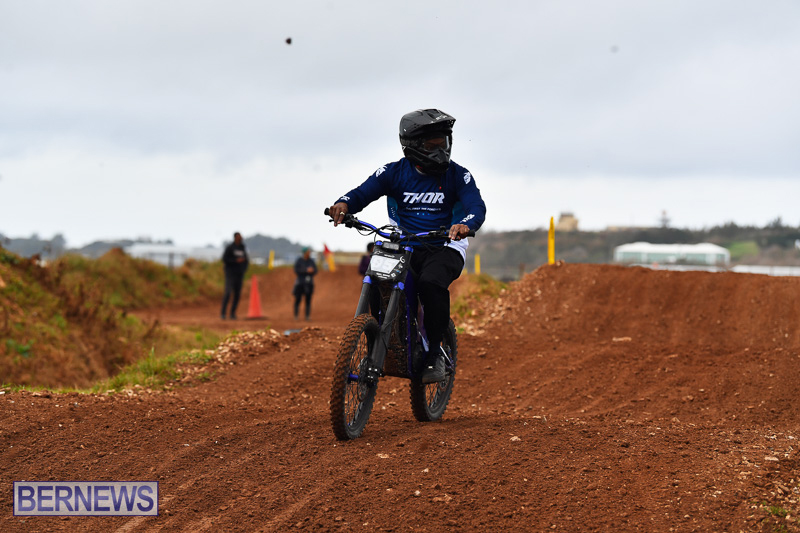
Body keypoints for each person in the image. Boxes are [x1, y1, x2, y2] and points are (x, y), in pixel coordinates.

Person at [328, 108, 486, 383]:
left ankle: (436, 353)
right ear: (412, 146)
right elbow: (361, 193)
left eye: (444, 143)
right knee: (380, 280)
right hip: (405, 244)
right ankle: (382, 340)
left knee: (431, 283)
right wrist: (343, 204)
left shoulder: (458, 176)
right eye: (431, 145)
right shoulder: (393, 172)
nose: (441, 150)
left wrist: (465, 225)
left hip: (445, 245)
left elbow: (476, 206)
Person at [220, 232, 249, 320]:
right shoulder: (230, 247)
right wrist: (236, 261)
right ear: (235, 237)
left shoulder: (242, 248)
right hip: (230, 274)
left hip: (239, 274)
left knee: (237, 294)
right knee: (228, 293)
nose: (240, 238)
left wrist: (243, 270)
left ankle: (232, 313)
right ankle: (223, 313)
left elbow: (246, 260)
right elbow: (224, 259)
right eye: (239, 237)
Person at [293, 247, 318, 320]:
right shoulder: (299, 261)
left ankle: (307, 316)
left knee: (308, 300)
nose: (309, 253)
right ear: (304, 253)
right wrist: (306, 270)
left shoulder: (311, 261)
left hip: (309, 283)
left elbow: (316, 270)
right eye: (308, 252)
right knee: (298, 299)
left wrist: (312, 271)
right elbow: (296, 270)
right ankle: (296, 316)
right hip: (300, 283)